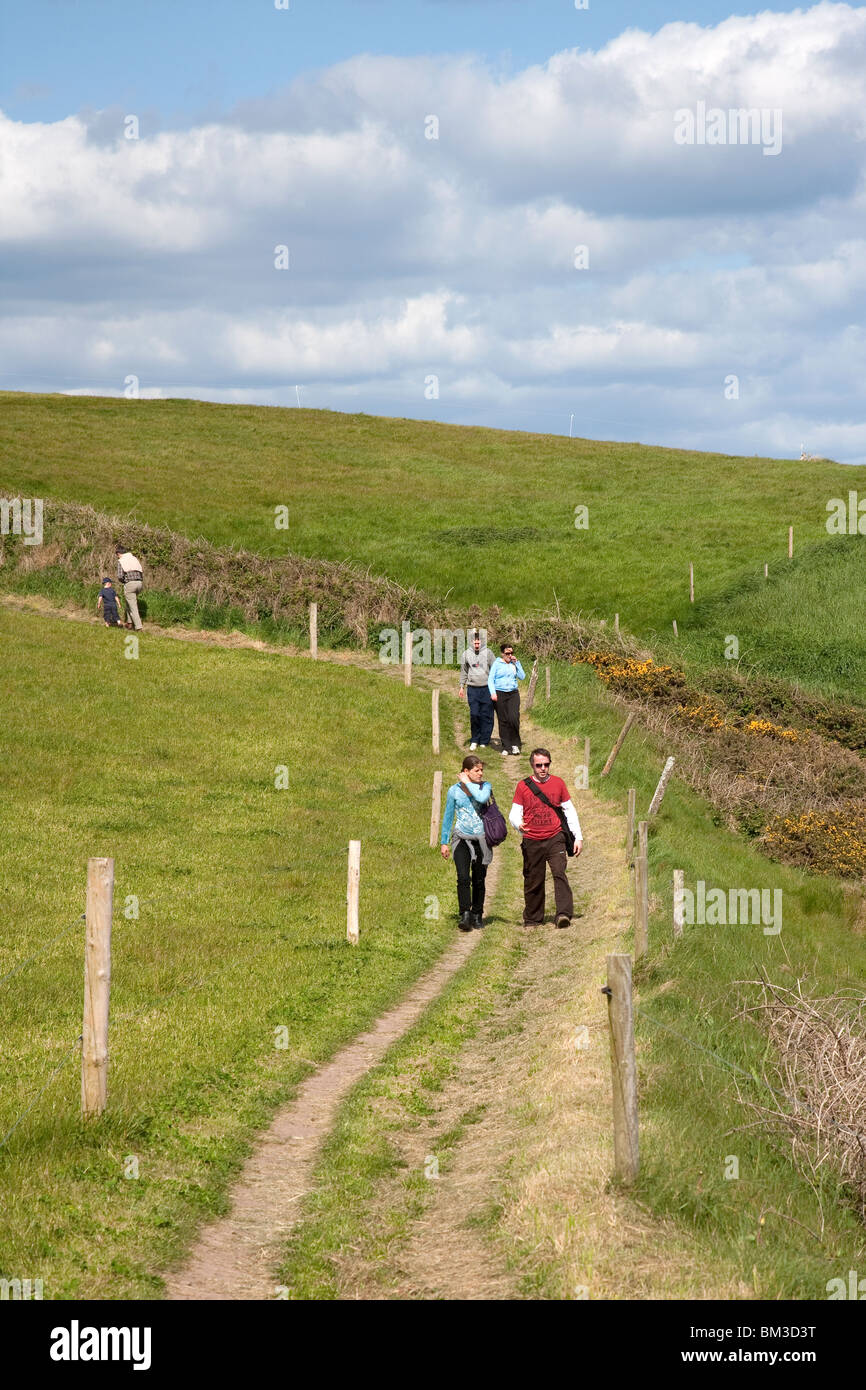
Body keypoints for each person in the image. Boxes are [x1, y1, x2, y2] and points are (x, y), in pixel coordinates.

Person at [509, 747, 583, 929]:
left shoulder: (558, 783)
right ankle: (533, 919)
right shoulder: (522, 786)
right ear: (532, 766)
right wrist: (519, 825)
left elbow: (569, 811)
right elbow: (514, 813)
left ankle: (563, 914)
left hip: (555, 837)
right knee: (534, 878)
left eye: (546, 765)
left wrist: (578, 837)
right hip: (532, 839)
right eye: (539, 765)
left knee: (559, 873)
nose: (543, 768)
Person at [440, 755, 493, 931]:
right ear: (466, 771)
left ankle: (477, 914)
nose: (480, 773)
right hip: (461, 839)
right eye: (476, 770)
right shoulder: (454, 791)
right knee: (463, 877)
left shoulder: (485, 787)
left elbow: (481, 798)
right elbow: (448, 816)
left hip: (481, 840)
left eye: (481, 770)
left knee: (479, 878)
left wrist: (469, 783)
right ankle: (465, 913)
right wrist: (444, 842)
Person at [458, 631, 497, 751]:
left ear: (482, 642)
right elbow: (464, 671)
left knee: (487, 715)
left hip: (487, 689)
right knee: (474, 714)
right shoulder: (466, 654)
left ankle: (485, 740)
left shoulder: (488, 653)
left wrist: (495, 688)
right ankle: (474, 739)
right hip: (472, 689)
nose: (476, 644)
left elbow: (495, 669)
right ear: (471, 642)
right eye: (474, 642)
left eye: (478, 641)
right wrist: (461, 686)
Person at [487, 641, 526, 755]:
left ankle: (515, 744)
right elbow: (490, 679)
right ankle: (506, 746)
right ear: (502, 654)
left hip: (513, 693)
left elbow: (522, 677)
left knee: (513, 718)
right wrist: (493, 693)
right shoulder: (497, 664)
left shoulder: (514, 664)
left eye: (511, 653)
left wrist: (517, 663)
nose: (510, 655)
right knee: (503, 720)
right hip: (500, 693)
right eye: (507, 653)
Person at [115, 544, 145, 631]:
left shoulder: (121, 560)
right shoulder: (134, 558)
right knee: (129, 603)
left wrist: (124, 582)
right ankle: (129, 623)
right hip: (139, 583)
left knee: (133, 606)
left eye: (117, 555)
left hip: (130, 584)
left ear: (119, 553)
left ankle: (138, 627)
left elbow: (120, 576)